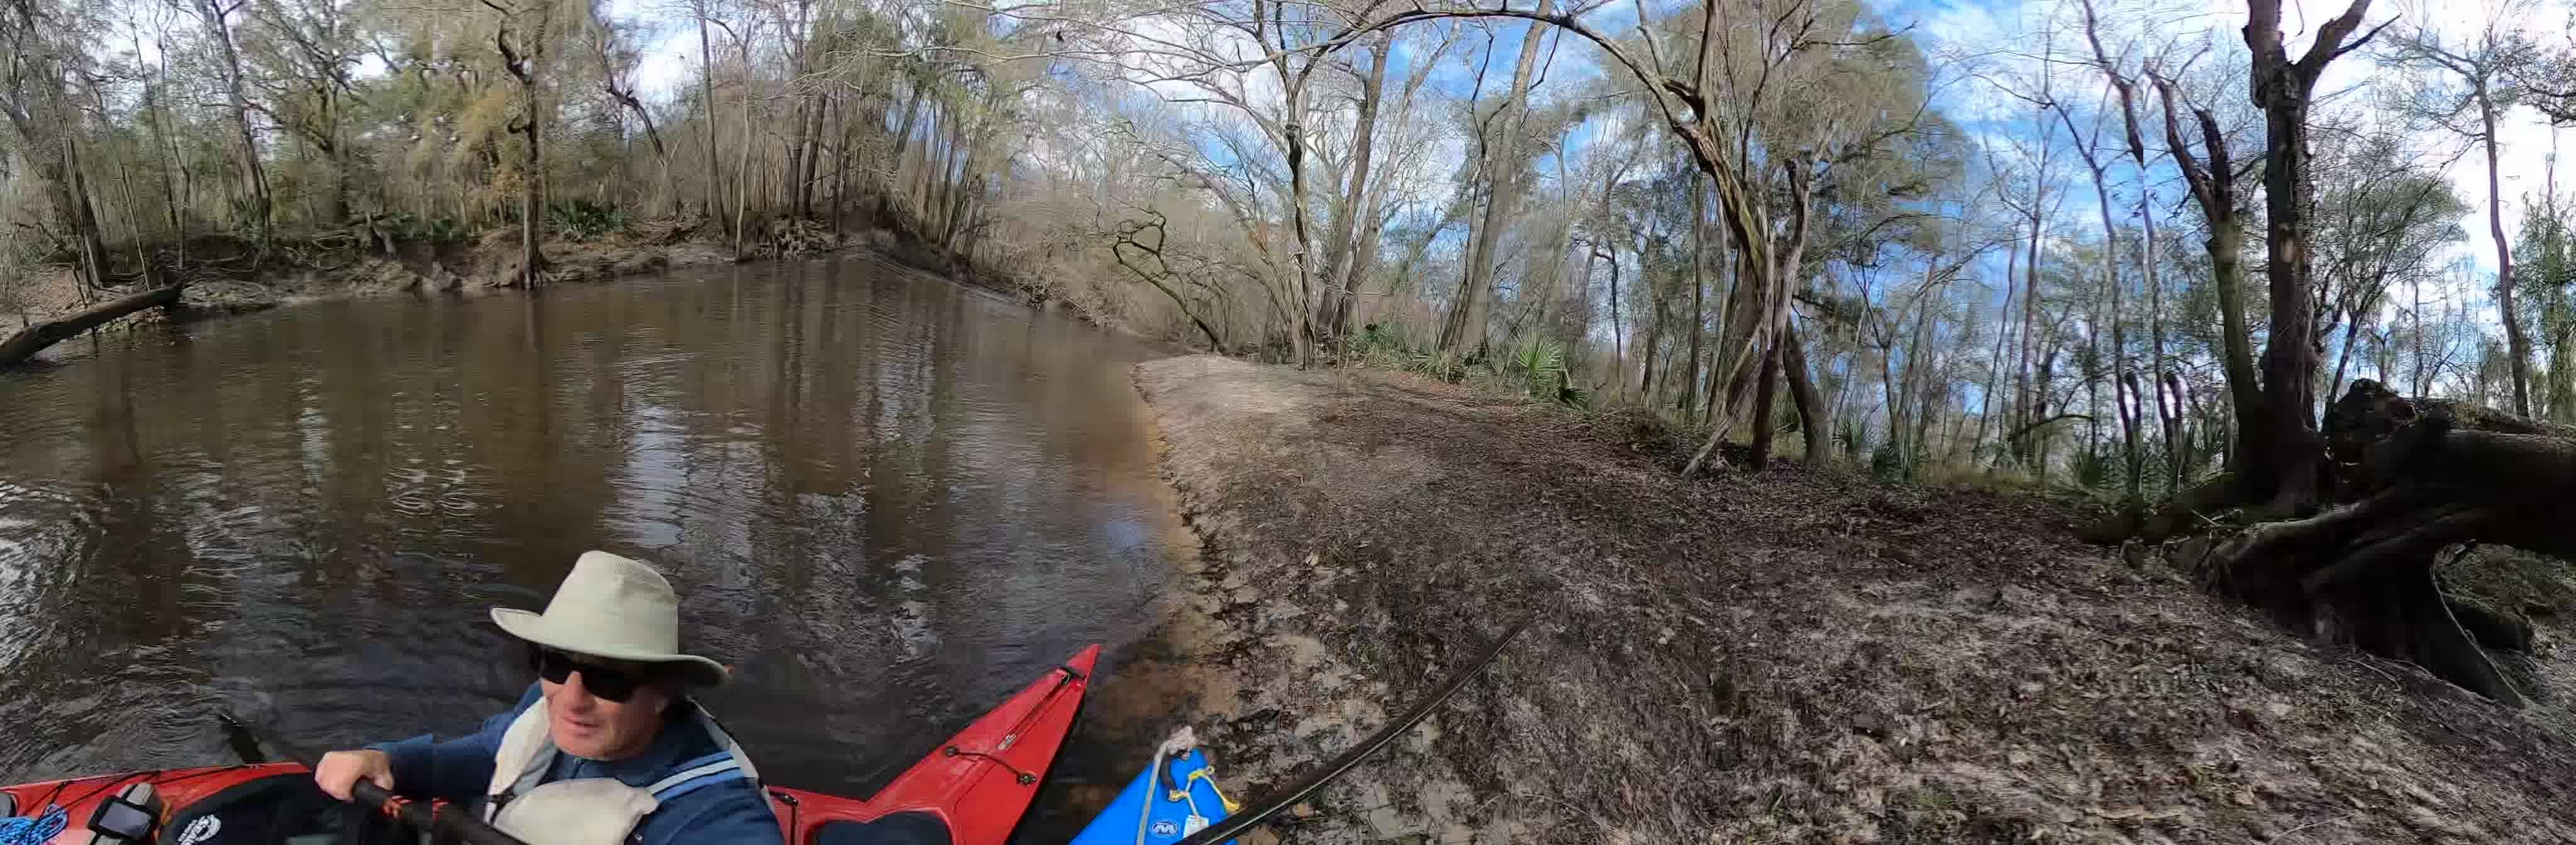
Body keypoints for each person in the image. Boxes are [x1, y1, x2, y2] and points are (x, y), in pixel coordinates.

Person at [313, 551, 782, 845]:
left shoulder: (713, 814)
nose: (571, 699)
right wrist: (389, 760)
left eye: (610, 680)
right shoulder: (548, 703)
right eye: (555, 664)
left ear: (663, 692)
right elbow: (489, 755)